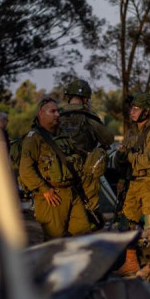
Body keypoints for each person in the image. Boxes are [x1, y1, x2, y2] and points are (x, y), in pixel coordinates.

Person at [17, 97, 92, 239]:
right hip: (52, 196)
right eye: (53, 111)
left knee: (83, 234)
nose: (57, 114)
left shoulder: (62, 135)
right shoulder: (33, 138)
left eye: (58, 111)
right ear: (41, 113)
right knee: (55, 241)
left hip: (71, 192)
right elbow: (25, 170)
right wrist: (45, 190)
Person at [56, 77, 113, 221]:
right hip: (84, 171)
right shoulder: (89, 117)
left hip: (58, 170)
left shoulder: (56, 116)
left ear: (68, 97)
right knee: (88, 209)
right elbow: (108, 139)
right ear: (86, 99)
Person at [120, 91, 150, 228]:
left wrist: (128, 155)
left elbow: (149, 160)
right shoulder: (131, 132)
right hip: (132, 183)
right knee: (126, 227)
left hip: (149, 184)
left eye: (137, 108)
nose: (132, 111)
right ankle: (132, 250)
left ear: (147, 111)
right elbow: (122, 156)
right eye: (132, 108)